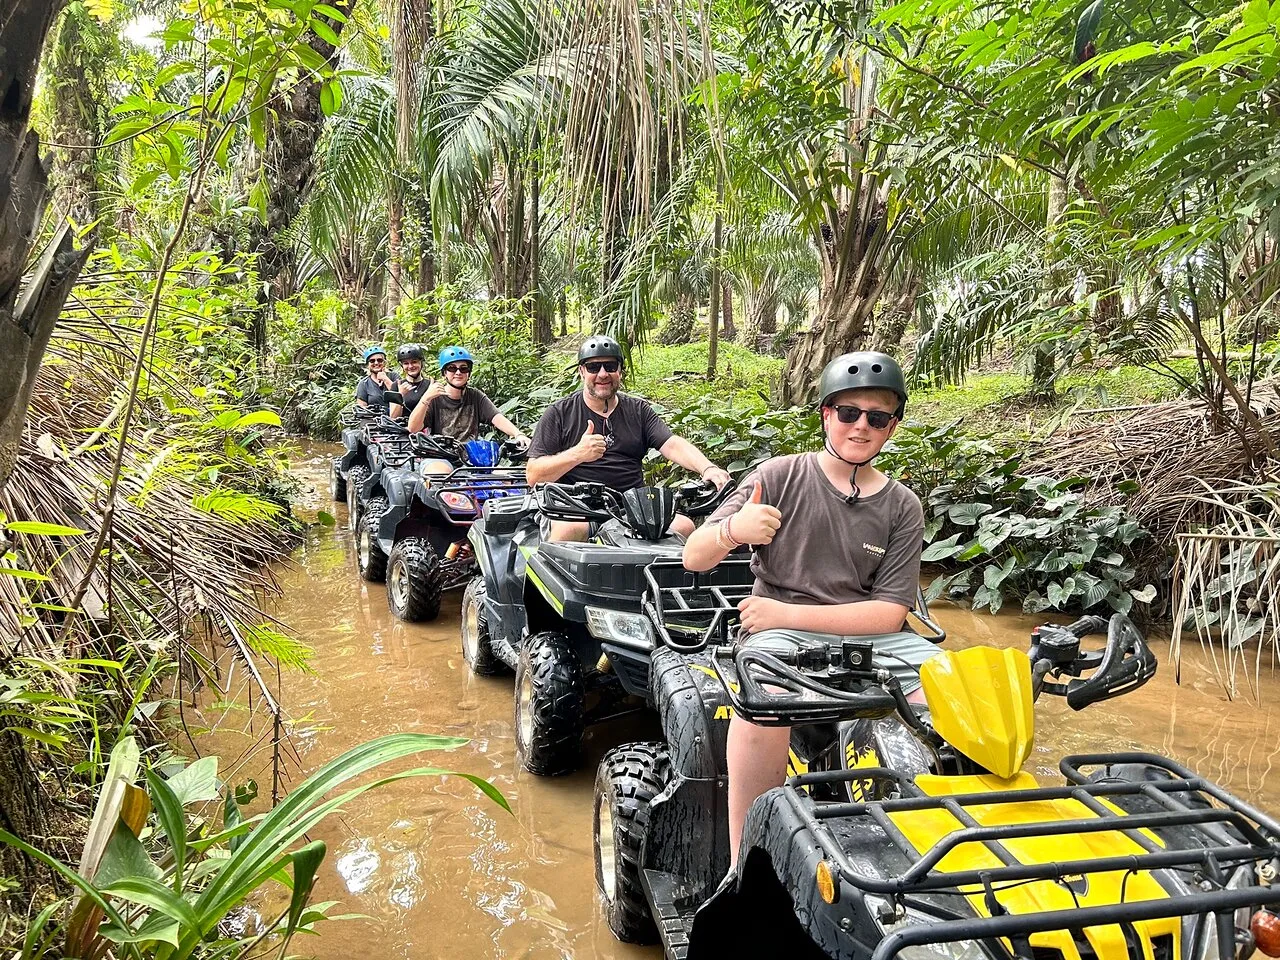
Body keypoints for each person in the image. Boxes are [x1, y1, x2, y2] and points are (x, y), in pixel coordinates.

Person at [682, 351, 932, 867]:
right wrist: (734, 530)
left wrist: (784, 614)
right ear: (826, 415)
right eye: (849, 413)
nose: (861, 427)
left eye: (877, 417)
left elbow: (888, 614)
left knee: (958, 688)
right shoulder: (778, 476)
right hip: (780, 638)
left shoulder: (903, 505)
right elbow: (694, 556)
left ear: (892, 427)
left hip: (859, 635)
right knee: (764, 704)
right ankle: (743, 863)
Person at [526, 335, 732, 541]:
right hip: (575, 506)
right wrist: (577, 454)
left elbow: (672, 444)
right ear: (581, 371)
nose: (603, 374)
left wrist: (708, 468)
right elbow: (534, 475)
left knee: (683, 526)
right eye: (593, 367)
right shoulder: (559, 413)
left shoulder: (638, 410)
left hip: (632, 505)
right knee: (567, 532)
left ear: (620, 371)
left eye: (610, 366)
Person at [407, 345, 530, 446]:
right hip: (440, 454)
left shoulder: (475, 396)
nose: (458, 372)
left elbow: (496, 417)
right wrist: (426, 398)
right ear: (444, 373)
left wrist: (518, 434)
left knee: (500, 475)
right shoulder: (435, 397)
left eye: (463, 368)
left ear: (469, 372)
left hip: (472, 455)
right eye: (452, 368)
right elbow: (413, 428)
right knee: (440, 473)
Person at [354, 345, 399, 412]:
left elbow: (400, 396)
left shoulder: (394, 376)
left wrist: (385, 379)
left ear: (384, 362)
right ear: (367, 364)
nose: (376, 363)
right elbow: (362, 409)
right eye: (372, 361)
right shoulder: (364, 384)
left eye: (379, 360)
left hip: (396, 419)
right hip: (374, 420)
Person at [391, 343, 430, 417]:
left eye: (414, 362)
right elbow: (393, 417)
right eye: (406, 363)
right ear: (402, 366)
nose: (410, 366)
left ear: (421, 363)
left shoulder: (430, 385)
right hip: (403, 426)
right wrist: (400, 395)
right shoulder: (396, 386)